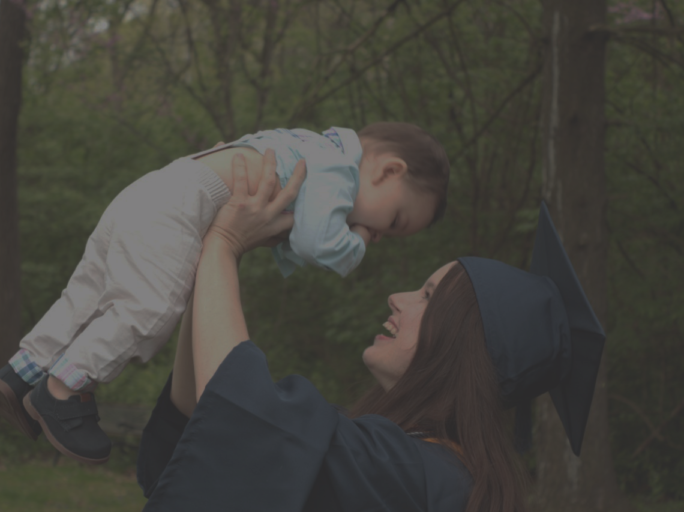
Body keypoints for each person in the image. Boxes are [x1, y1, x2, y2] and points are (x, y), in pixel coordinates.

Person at [135, 152, 606, 512]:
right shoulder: (420, 464)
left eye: (426, 295)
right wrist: (210, 253)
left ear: (466, 346)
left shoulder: (420, 474)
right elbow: (204, 422)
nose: (397, 298)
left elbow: (245, 420)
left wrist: (225, 244)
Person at [0, 122, 450, 464]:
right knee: (148, 309)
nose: (381, 233)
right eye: (394, 223)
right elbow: (317, 242)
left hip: (155, 188)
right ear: (389, 170)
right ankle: (64, 387)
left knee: (85, 294)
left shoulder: (310, 141)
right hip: (183, 206)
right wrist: (358, 244)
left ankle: (23, 371)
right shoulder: (339, 172)